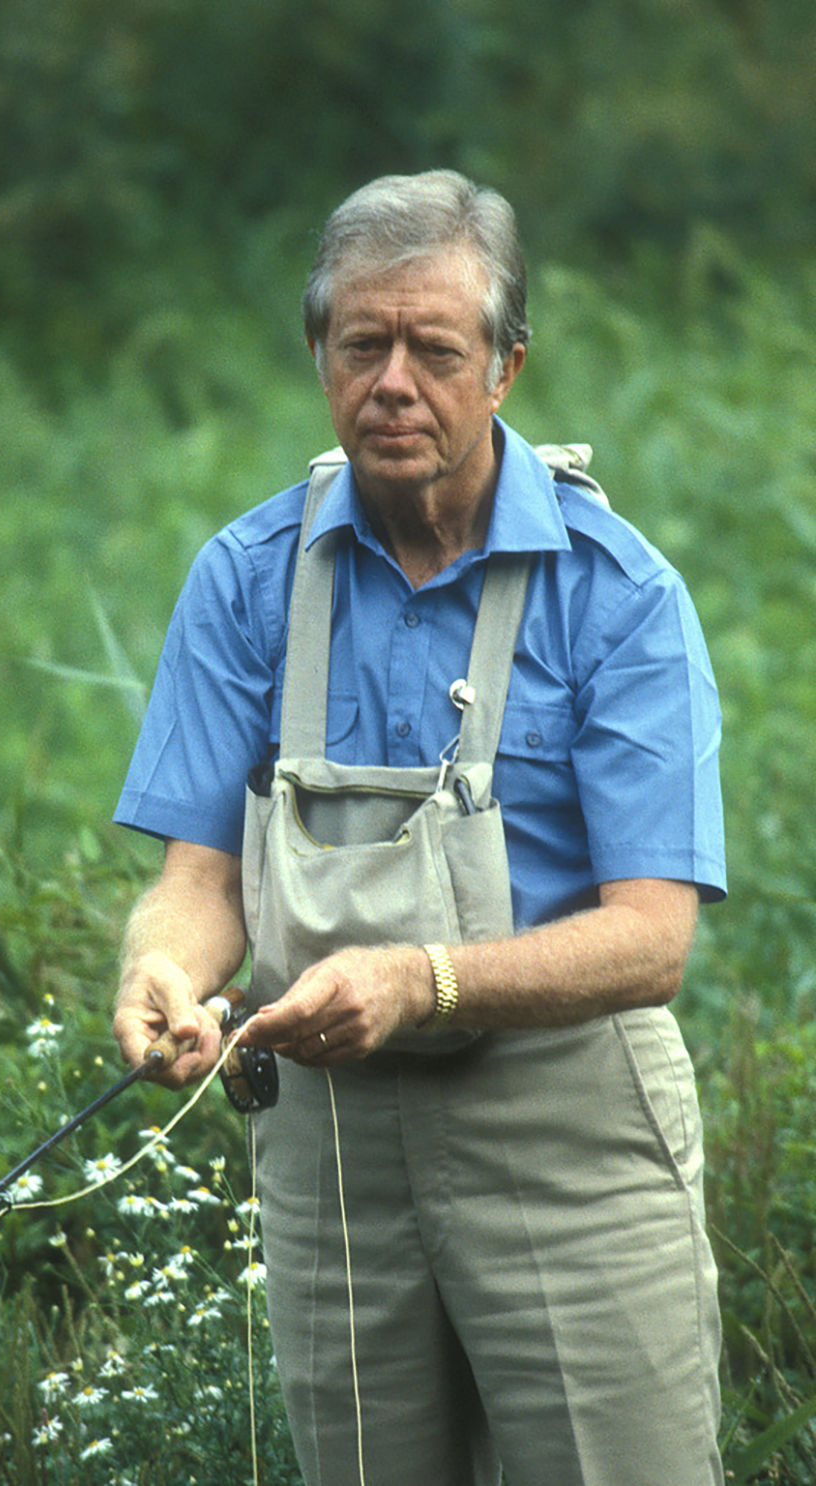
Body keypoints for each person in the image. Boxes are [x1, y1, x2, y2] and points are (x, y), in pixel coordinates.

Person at [111, 170, 726, 1486]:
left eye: (434, 351)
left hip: (571, 1133)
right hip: (331, 1147)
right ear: (321, 358)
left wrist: (424, 980)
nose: (393, 381)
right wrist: (161, 968)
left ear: (504, 368)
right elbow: (198, 876)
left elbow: (652, 941)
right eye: (361, 345)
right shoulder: (246, 577)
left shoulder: (618, 598)